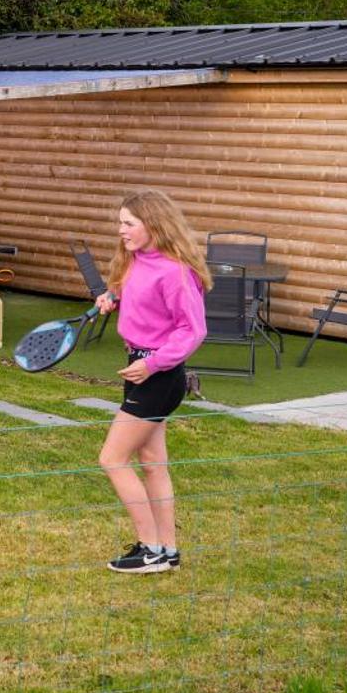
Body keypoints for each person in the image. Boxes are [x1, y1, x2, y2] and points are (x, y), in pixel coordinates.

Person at [91, 189, 210, 574]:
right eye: (120, 222)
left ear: (153, 225)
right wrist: (111, 297)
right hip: (140, 368)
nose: (120, 230)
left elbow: (192, 331)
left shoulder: (176, 271)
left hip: (158, 376)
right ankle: (168, 551)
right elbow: (131, 292)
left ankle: (150, 548)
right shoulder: (135, 260)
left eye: (128, 223)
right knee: (153, 463)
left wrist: (154, 364)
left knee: (112, 458)